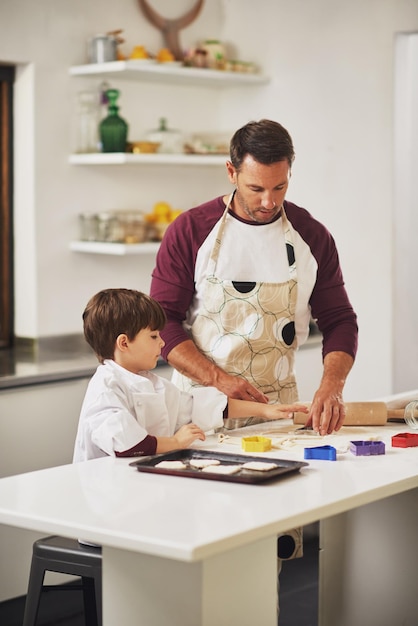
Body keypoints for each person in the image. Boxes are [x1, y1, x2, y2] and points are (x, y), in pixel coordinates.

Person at [150, 119, 358, 436]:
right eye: (256, 188)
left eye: (280, 187)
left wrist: (333, 386)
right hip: (198, 415)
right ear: (232, 173)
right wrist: (218, 380)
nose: (268, 202)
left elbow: (340, 319)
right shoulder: (190, 230)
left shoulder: (312, 237)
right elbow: (162, 320)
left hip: (278, 418)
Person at [73, 288, 307, 462]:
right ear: (124, 343)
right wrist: (175, 442)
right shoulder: (106, 385)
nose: (162, 342)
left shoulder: (152, 383)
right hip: (106, 489)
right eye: (153, 336)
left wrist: (266, 410)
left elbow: (201, 407)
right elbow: (125, 444)